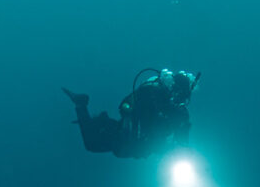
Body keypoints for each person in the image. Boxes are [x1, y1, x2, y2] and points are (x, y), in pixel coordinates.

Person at [62, 68, 199, 159]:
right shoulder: (155, 95)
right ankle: (81, 105)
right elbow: (134, 115)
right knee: (92, 144)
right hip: (126, 138)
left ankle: (87, 110)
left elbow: (182, 141)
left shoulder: (180, 113)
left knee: (93, 143)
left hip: (130, 141)